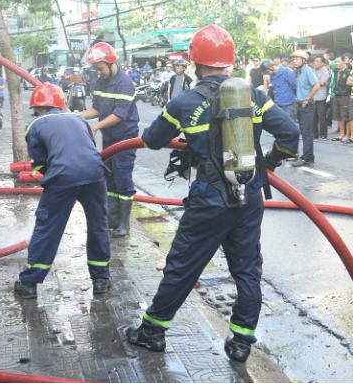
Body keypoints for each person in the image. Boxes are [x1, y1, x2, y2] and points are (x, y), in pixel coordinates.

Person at [124, 24, 300, 362]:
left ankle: (152, 331)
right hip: (249, 194)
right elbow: (289, 135)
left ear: (194, 61)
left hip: (209, 197)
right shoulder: (254, 95)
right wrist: (271, 164)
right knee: (247, 269)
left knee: (183, 265)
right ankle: (241, 342)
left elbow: (152, 140)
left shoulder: (184, 102)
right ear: (229, 63)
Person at [12, 83, 111, 300]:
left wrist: (54, 179)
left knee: (48, 227)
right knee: (98, 225)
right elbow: (86, 148)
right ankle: (101, 279)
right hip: (95, 174)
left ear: (37, 108)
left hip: (63, 176)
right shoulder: (79, 119)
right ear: (60, 104)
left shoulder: (35, 125)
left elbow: (40, 162)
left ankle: (29, 283)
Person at [78, 42, 140, 237]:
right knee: (110, 179)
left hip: (124, 139)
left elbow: (119, 114)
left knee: (123, 179)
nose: (99, 73)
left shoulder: (124, 83)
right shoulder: (99, 83)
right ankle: (112, 219)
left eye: (100, 69)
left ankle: (124, 224)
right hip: (109, 138)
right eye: (96, 69)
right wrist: (75, 116)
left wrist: (96, 126)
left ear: (112, 63)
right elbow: (96, 109)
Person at [291, 51, 319, 166]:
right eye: (293, 60)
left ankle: (306, 158)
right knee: (304, 131)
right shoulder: (299, 72)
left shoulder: (307, 71)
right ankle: (310, 156)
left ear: (303, 60)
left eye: (297, 59)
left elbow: (316, 85)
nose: (294, 61)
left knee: (306, 132)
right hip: (300, 104)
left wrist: (307, 99)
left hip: (307, 104)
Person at [264, 57, 298, 122]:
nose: (268, 73)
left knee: (291, 127)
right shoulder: (272, 76)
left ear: (271, 67)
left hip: (289, 105)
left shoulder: (286, 72)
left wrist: (294, 99)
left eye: (267, 71)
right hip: (278, 105)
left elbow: (295, 86)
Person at [329, 57, 351, 142]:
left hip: (345, 96)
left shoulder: (347, 71)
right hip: (336, 95)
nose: (337, 63)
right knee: (338, 116)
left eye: (338, 61)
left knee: (346, 116)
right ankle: (341, 134)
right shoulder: (335, 71)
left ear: (343, 62)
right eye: (336, 62)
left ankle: (347, 135)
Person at [311, 56, 331, 141]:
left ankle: (323, 134)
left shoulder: (325, 71)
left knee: (322, 117)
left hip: (321, 97)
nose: (315, 63)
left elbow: (322, 82)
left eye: (317, 61)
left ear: (322, 63)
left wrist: (314, 81)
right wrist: (317, 80)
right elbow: (308, 82)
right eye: (315, 61)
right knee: (313, 117)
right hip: (312, 96)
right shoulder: (312, 71)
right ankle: (314, 134)